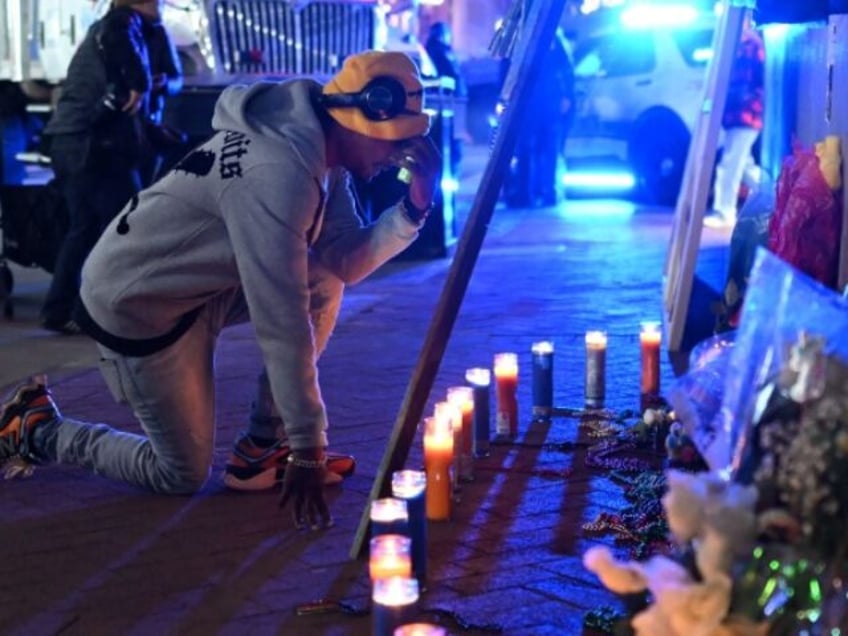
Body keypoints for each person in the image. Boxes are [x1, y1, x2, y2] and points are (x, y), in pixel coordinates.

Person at [0, 50, 440, 531]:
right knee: (178, 472)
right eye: (395, 143)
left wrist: (412, 209)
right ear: (358, 123)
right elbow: (281, 320)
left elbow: (342, 262)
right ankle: (38, 428)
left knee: (322, 281)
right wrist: (308, 446)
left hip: (200, 289)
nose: (396, 157)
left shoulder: (319, 151)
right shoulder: (280, 173)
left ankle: (260, 450)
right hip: (136, 307)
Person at [39, 0, 158, 335]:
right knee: (126, 225)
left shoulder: (112, 28)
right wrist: (140, 81)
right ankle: (106, 312)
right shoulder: (122, 22)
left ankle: (61, 309)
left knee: (87, 229)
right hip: (89, 146)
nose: (161, 6)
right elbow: (119, 38)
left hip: (71, 141)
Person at [705, 12, 765, 229]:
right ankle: (772, 195)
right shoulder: (742, 43)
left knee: (731, 163)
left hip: (745, 114)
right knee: (744, 165)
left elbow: (751, 80)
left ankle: (725, 211)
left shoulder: (747, 44)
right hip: (742, 114)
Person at [503, 27, 575, 208]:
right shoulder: (525, 38)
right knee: (528, 150)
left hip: (545, 103)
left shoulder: (551, 39)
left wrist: (566, 95)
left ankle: (546, 191)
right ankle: (528, 192)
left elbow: (566, 71)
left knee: (545, 149)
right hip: (531, 103)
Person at [139, 7, 185, 186]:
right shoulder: (109, 32)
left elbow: (176, 80)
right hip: (118, 127)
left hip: (149, 123)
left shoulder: (158, 34)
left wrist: (164, 83)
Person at [424, 21, 467, 177]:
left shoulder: (434, 51)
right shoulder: (440, 51)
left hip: (453, 104)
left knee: (450, 148)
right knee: (451, 149)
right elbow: (451, 77)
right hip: (450, 105)